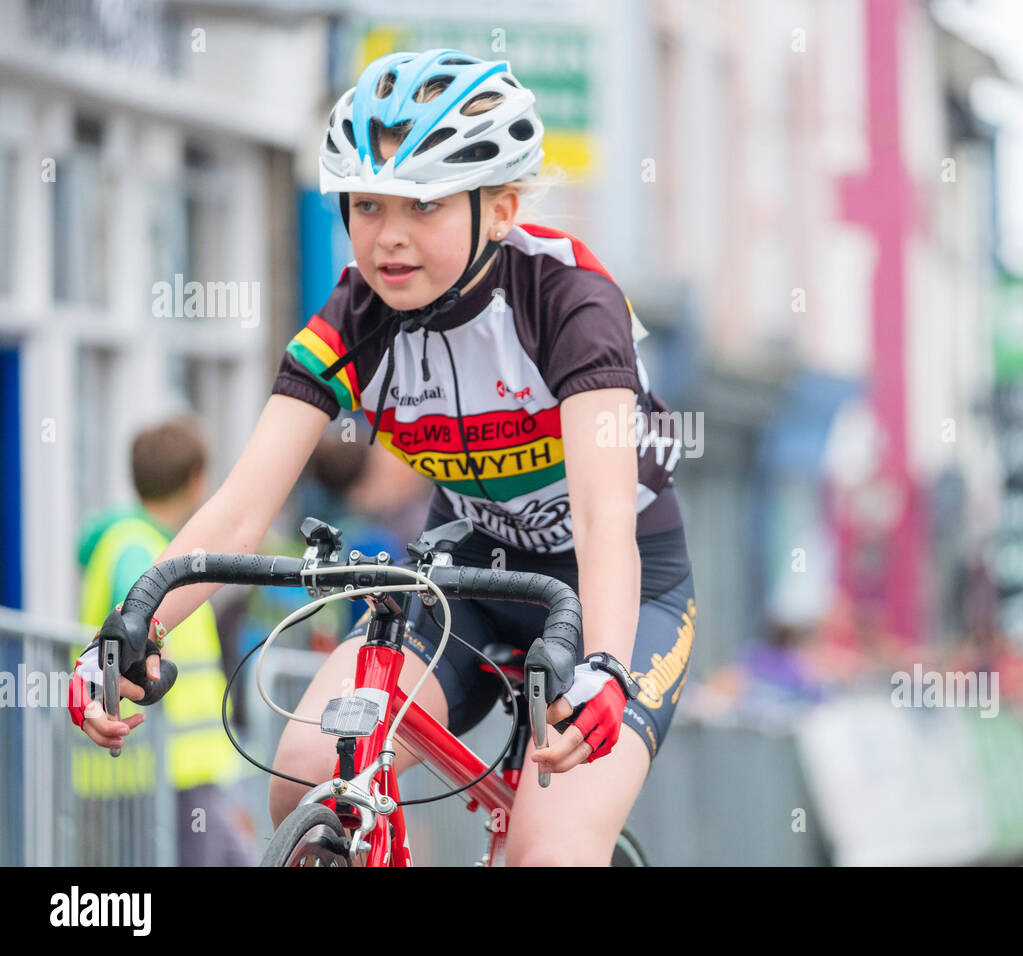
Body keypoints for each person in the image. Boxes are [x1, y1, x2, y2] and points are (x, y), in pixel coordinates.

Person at [72, 48, 696, 866]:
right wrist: (120, 635)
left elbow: (603, 517)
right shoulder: (355, 316)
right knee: (304, 778)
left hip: (618, 583)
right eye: (365, 205)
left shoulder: (568, 299)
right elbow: (241, 508)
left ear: (502, 207)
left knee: (546, 852)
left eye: (423, 206)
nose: (388, 238)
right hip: (468, 575)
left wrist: (607, 666)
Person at [71, 418, 251, 866]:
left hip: (175, 768)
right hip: (159, 770)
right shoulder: (140, 547)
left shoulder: (147, 542)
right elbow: (127, 627)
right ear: (196, 479)